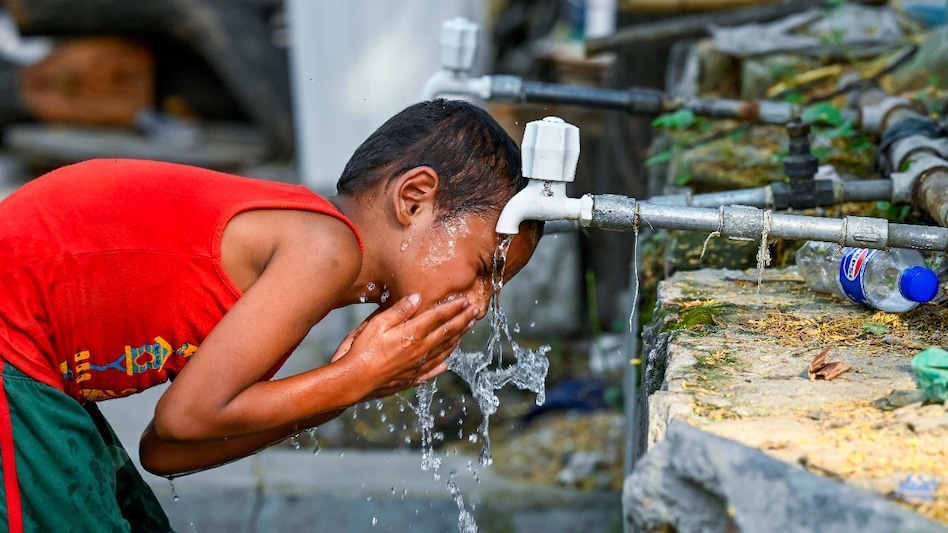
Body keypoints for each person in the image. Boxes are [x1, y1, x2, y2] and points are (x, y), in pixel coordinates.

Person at [0, 98, 542, 532]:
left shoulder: (306, 266)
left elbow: (166, 452)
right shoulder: (326, 249)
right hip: (12, 342)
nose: (481, 303)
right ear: (415, 199)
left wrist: (344, 390)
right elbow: (182, 421)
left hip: (32, 363)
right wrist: (352, 378)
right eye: (481, 269)